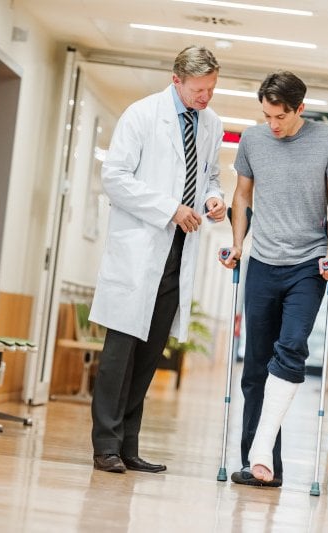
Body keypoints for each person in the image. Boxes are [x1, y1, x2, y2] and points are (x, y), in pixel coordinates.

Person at [89, 45, 226, 474]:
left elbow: (211, 177)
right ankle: (105, 446)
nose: (206, 97)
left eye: (211, 89)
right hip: (139, 250)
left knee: (149, 355)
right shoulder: (141, 115)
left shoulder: (212, 124)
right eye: (199, 89)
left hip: (176, 253)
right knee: (120, 353)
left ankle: (129, 445)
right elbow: (114, 178)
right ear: (176, 79)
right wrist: (170, 208)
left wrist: (214, 199)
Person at [220, 70, 328, 487]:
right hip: (262, 263)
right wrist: (238, 244)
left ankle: (260, 456)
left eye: (281, 116)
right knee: (255, 367)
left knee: (291, 348)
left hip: (307, 266)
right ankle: (260, 464)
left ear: (300, 109)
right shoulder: (254, 141)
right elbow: (242, 195)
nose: (273, 124)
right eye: (267, 115)